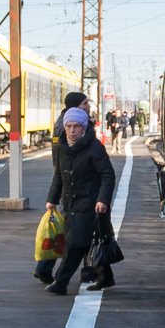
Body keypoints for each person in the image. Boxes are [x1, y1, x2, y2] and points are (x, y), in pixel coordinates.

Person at [43, 108, 115, 296]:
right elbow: (58, 175)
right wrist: (52, 199)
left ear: (83, 128)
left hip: (91, 203)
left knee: (76, 244)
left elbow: (108, 174)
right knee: (93, 241)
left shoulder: (94, 147)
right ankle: (105, 277)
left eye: (76, 126)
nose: (72, 130)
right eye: (69, 126)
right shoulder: (62, 148)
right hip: (70, 203)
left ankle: (61, 282)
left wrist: (102, 199)